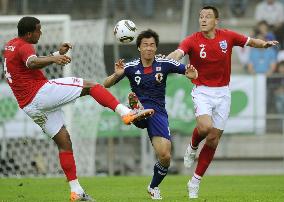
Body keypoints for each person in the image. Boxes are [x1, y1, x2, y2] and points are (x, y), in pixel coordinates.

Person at [3, 16, 154, 202]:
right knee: (91, 86)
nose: (40, 33)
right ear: (29, 33)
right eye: (38, 30)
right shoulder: (25, 46)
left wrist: (56, 53)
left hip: (29, 106)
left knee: (64, 142)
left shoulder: (12, 45)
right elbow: (31, 62)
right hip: (40, 94)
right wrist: (54, 58)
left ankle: (76, 191)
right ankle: (126, 113)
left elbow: (26, 63)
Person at [167, 6, 278, 199]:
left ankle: (195, 182)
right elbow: (179, 52)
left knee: (213, 139)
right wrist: (168, 59)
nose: (203, 19)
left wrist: (265, 44)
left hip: (223, 93)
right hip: (202, 90)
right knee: (204, 128)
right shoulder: (192, 40)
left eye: (208, 16)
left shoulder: (228, 36)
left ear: (216, 21)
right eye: (201, 16)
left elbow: (250, 41)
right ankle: (192, 147)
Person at [103, 29, 198, 200]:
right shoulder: (130, 67)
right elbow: (106, 84)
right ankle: (136, 109)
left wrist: (192, 74)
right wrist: (116, 75)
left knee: (165, 156)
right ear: (139, 47)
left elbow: (189, 72)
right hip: (141, 110)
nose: (149, 48)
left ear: (156, 48)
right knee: (141, 113)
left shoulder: (164, 63)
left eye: (152, 45)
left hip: (158, 112)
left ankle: (153, 187)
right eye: (145, 45)